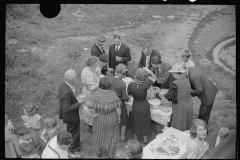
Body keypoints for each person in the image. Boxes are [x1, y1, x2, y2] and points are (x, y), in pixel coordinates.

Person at [84, 77, 122, 158]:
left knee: (99, 136)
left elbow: (85, 108)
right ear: (109, 85)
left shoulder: (95, 94)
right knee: (112, 136)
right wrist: (119, 117)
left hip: (99, 119)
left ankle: (99, 153)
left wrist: (92, 116)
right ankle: (111, 154)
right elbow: (118, 108)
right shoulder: (113, 94)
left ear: (100, 85)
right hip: (112, 119)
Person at [58, 68, 85, 157]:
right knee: (74, 132)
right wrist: (79, 103)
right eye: (75, 76)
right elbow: (67, 108)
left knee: (71, 131)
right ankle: (74, 150)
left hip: (69, 116)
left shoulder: (63, 84)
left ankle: (70, 144)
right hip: (71, 116)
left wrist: (76, 98)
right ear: (71, 78)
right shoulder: (66, 92)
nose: (77, 77)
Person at [127, 67, 157, 145]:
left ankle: (136, 139)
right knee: (145, 121)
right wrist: (149, 71)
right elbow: (155, 78)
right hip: (144, 104)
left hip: (136, 104)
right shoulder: (146, 85)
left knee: (136, 121)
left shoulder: (131, 84)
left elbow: (129, 95)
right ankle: (145, 140)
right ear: (145, 78)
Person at [159, 65, 193, 131]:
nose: (172, 75)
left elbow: (171, 97)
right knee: (186, 122)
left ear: (175, 73)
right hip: (189, 104)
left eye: (173, 73)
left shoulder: (175, 83)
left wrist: (164, 94)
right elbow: (182, 91)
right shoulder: (186, 80)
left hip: (180, 106)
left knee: (179, 123)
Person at [81, 56, 101, 133]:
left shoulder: (87, 68)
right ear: (92, 64)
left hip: (91, 92)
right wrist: (100, 82)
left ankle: (93, 123)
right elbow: (92, 88)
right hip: (90, 94)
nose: (97, 66)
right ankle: (92, 126)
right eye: (96, 64)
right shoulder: (87, 74)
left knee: (93, 109)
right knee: (90, 109)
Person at [110, 63, 130, 142]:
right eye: (124, 73)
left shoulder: (110, 79)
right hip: (119, 103)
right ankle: (122, 137)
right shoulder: (122, 83)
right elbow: (124, 97)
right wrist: (129, 98)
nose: (124, 75)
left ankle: (112, 134)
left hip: (110, 101)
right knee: (123, 120)